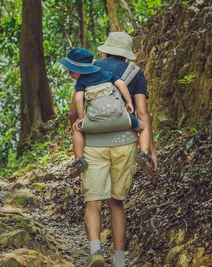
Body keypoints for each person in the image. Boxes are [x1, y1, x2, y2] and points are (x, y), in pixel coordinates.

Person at [67, 32, 158, 267]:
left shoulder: (91, 69)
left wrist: (76, 133)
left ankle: (95, 252)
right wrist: (149, 148)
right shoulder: (135, 73)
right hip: (126, 143)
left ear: (105, 51)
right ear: (127, 53)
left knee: (93, 202)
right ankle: (119, 263)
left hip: (94, 145)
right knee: (116, 203)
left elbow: (75, 112)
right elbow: (142, 112)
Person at [58, 47, 153, 178]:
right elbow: (121, 85)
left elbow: (78, 99)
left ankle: (79, 160)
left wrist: (80, 118)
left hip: (93, 122)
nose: (69, 73)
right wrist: (129, 102)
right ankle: (143, 153)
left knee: (77, 130)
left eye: (70, 70)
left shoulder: (82, 82)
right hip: (122, 119)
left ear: (78, 70)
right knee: (144, 128)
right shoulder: (107, 74)